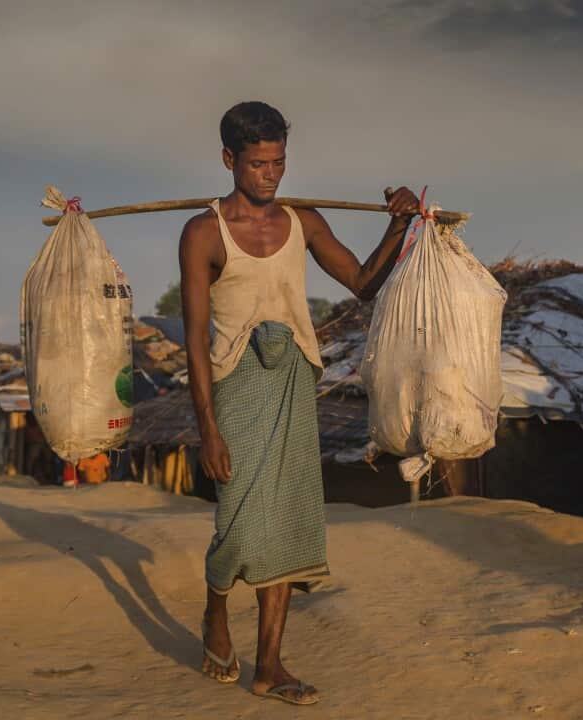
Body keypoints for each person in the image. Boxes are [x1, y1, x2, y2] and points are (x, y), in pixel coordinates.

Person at [179, 100, 419, 705]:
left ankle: (270, 665)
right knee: (238, 522)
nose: (271, 175)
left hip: (293, 377)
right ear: (230, 159)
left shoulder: (303, 221)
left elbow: (363, 283)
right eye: (258, 164)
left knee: (286, 522)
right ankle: (215, 609)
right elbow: (194, 337)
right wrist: (207, 428)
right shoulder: (203, 233)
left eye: (279, 163)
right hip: (235, 386)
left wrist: (398, 225)